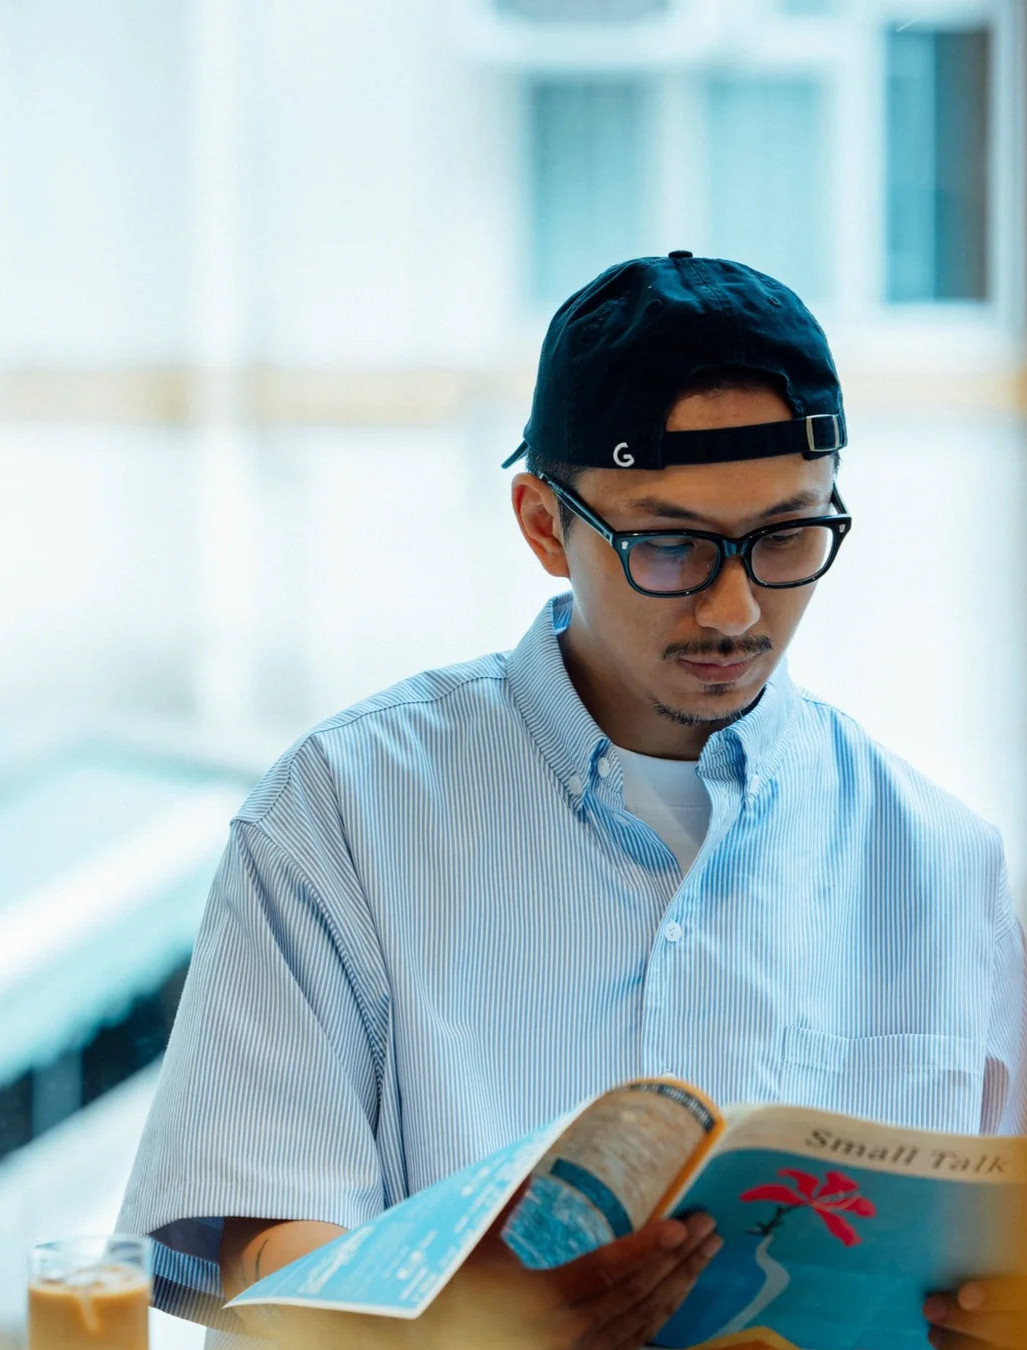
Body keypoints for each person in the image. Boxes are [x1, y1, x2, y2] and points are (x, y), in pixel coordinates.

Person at [117, 253, 1027, 1350]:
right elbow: (252, 1244)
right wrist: (464, 1327)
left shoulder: (941, 862)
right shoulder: (342, 817)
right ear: (545, 524)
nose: (736, 609)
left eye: (787, 536)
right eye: (673, 546)